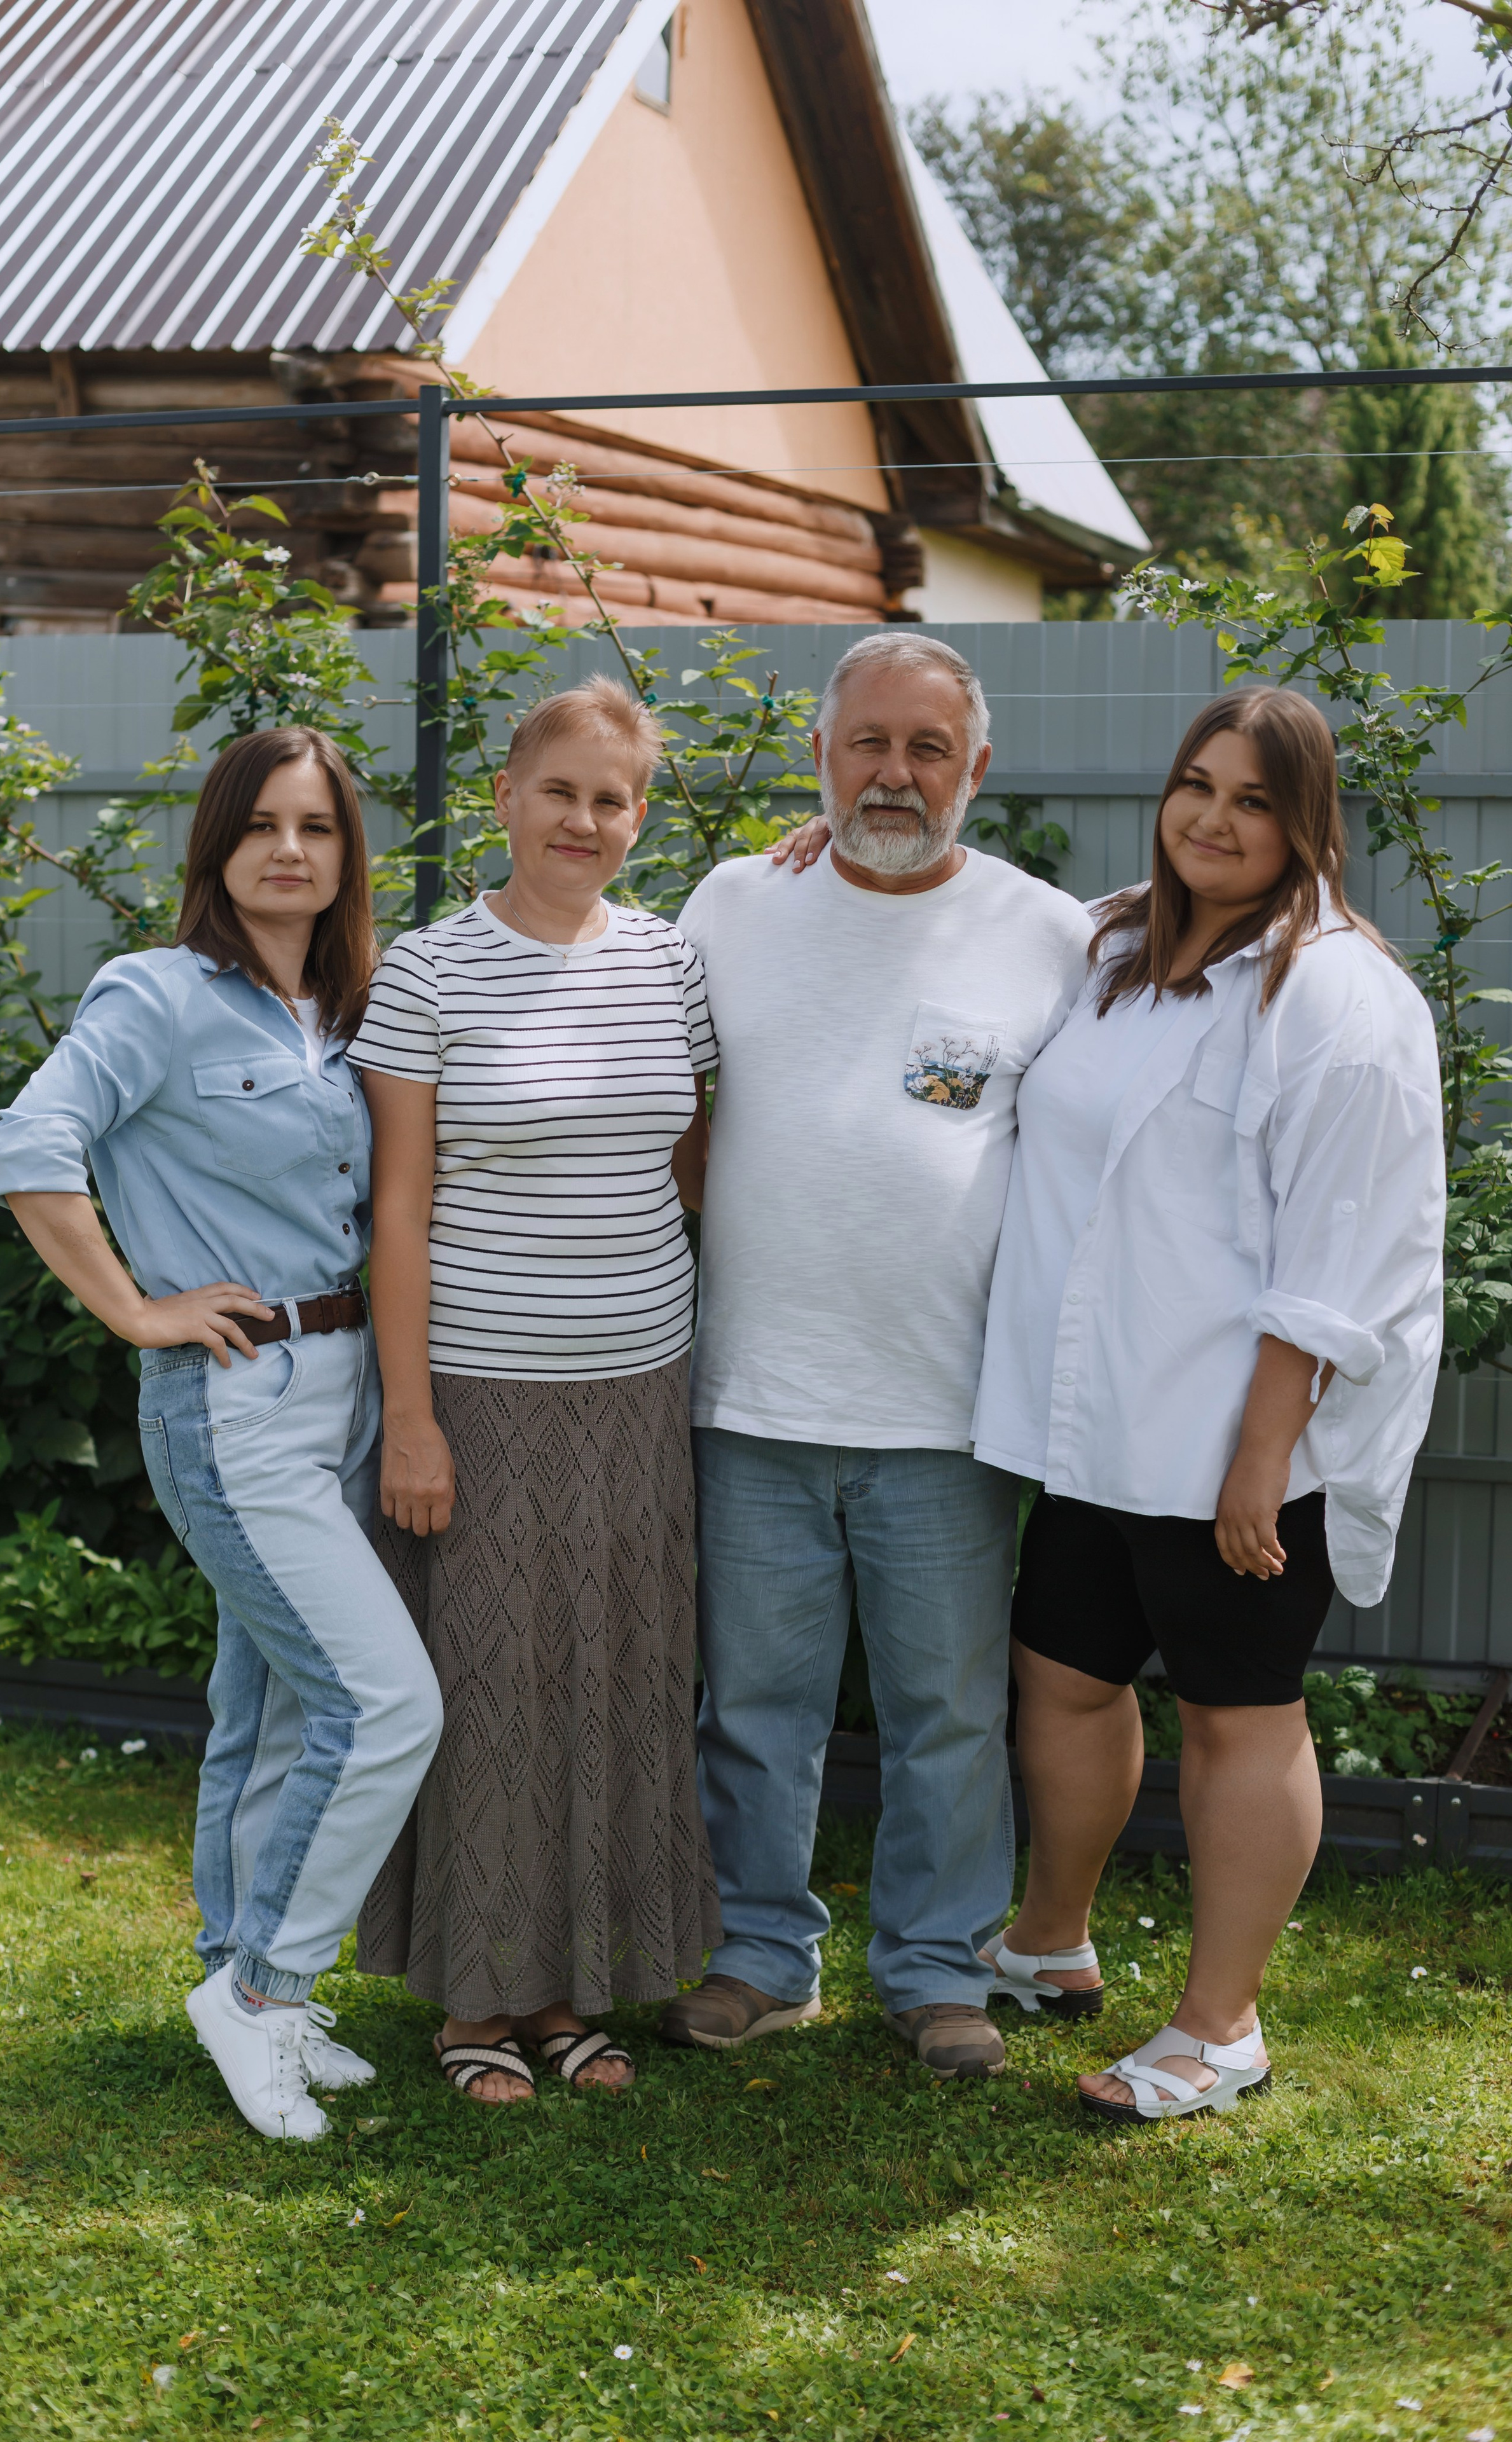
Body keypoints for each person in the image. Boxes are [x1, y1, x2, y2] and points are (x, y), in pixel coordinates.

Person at [970, 686, 1444, 2122]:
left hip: (1234, 1441)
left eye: (1250, 800)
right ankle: (1051, 1939)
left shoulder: (1338, 999)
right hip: (1093, 1418)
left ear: (1305, 826)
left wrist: (1259, 1460)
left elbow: (1338, 1252)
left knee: (1240, 1717)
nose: (1211, 820)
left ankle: (1216, 2026)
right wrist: (822, 844)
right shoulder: (1122, 951)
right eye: (1194, 786)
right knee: (1061, 1677)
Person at [0, 726, 443, 2144]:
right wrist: (134, 1310)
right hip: (234, 1400)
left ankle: (252, 1990)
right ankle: (260, 1993)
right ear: (217, 847)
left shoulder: (350, 1010)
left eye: (316, 827)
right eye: (261, 826)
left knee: (279, 1710)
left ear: (344, 853)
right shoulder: (160, 996)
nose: (290, 851)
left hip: (347, 1385)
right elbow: (29, 1145)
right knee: (385, 1707)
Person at [666, 630, 1094, 2080]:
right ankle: (758, 1957)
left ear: (976, 767)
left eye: (926, 748)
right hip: (751, 1390)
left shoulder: (1047, 932)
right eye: (868, 744)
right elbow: (662, 1094)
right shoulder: (731, 902)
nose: (894, 773)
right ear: (818, 757)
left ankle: (932, 1970)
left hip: (943, 1408)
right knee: (754, 1709)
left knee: (948, 1718)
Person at [347, 676, 720, 2104]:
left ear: (637, 818)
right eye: (558, 790)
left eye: (611, 798)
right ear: (503, 797)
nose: (583, 819)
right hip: (482, 1394)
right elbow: (397, 1213)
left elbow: (687, 1163)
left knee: (618, 1684)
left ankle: (573, 1990)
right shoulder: (430, 974)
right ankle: (472, 2007)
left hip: (636, 1390)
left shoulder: (671, 964)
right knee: (490, 1689)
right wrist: (414, 1416)